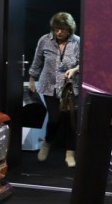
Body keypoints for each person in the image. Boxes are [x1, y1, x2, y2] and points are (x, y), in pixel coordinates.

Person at [28, 11, 81, 167]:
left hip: (70, 87)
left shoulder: (77, 42)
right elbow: (37, 60)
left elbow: (84, 62)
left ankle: (70, 153)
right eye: (56, 29)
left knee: (71, 121)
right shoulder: (45, 40)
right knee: (55, 118)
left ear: (69, 29)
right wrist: (32, 78)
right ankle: (47, 143)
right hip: (49, 85)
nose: (58, 32)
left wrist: (75, 70)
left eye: (62, 30)